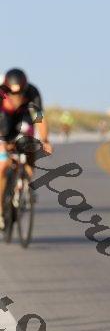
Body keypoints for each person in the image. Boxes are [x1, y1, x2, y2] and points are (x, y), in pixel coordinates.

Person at [0, 68, 52, 230]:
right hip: (3, 121)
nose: (16, 98)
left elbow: (39, 119)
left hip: (23, 119)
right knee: (3, 165)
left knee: (30, 148)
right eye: (12, 95)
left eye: (20, 94)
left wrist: (45, 140)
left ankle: (26, 183)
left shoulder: (32, 92)